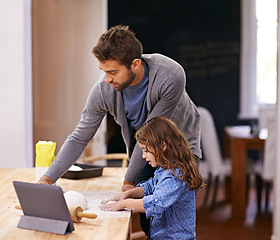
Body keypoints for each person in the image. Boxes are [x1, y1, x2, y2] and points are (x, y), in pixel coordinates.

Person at [37, 25, 202, 235]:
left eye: (113, 72)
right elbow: (80, 136)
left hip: (180, 146)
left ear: (134, 64)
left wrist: (128, 181)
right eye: (103, 71)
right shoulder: (103, 90)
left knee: (172, 210)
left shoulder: (171, 75)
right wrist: (48, 178)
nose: (107, 79)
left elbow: (151, 129)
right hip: (145, 147)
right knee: (150, 218)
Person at [100, 117, 205, 240]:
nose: (143, 156)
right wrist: (129, 193)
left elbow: (155, 204)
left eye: (145, 150)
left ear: (162, 146)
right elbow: (151, 185)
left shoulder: (176, 175)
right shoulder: (165, 168)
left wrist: (124, 203)